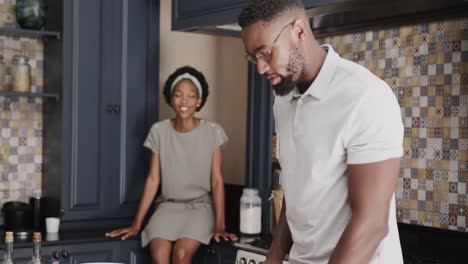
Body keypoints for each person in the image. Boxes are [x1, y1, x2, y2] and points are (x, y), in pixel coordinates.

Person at [238, 0, 404, 263]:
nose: (260, 67)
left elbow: (372, 225)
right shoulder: (283, 100)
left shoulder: (365, 96)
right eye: (253, 57)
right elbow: (296, 190)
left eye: (266, 52)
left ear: (299, 32)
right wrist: (276, 254)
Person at [106, 66, 237, 264]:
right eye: (178, 95)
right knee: (159, 256)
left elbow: (217, 180)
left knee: (181, 255)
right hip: (167, 207)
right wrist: (136, 224)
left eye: (191, 96)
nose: (184, 101)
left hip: (200, 208)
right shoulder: (159, 131)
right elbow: (153, 179)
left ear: (199, 101)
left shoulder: (213, 131)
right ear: (170, 98)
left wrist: (220, 224)